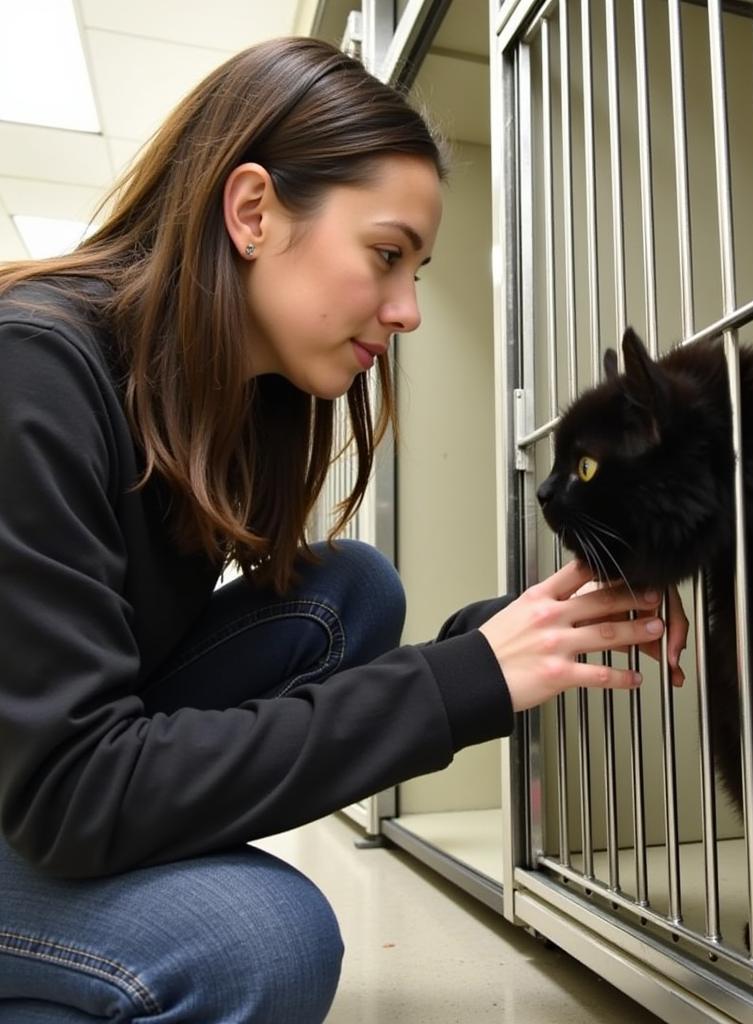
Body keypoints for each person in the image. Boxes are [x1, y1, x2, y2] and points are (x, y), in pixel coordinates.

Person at [0, 36, 686, 1024]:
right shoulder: (37, 372)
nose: (407, 309)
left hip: (48, 790)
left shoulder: (223, 406)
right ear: (252, 212)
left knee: (349, 592)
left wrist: (509, 645)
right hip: (39, 796)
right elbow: (70, 788)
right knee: (262, 937)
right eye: (386, 255)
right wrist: (464, 683)